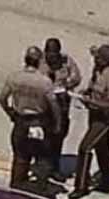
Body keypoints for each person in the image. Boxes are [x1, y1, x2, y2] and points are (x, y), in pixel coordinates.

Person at [0, 46, 61, 193]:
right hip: (38, 122)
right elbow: (54, 105)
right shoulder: (44, 82)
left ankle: (17, 186)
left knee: (20, 156)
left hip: (20, 121)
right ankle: (40, 188)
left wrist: (11, 113)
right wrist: (57, 124)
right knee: (43, 157)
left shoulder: (14, 77)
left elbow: (2, 99)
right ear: (39, 61)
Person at [70, 44, 109, 199]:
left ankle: (81, 186)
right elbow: (92, 87)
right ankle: (108, 180)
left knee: (85, 148)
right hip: (94, 114)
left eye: (98, 58)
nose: (95, 60)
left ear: (106, 61)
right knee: (102, 146)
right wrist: (85, 93)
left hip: (106, 118)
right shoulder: (97, 70)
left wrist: (91, 101)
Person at [43, 38, 82, 181]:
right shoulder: (40, 63)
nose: (51, 55)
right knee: (44, 138)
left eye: (54, 52)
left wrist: (67, 83)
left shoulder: (66, 61)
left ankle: (54, 166)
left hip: (62, 103)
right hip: (45, 106)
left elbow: (77, 77)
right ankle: (43, 167)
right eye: (49, 52)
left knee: (59, 136)